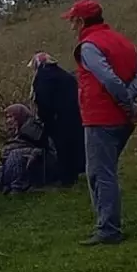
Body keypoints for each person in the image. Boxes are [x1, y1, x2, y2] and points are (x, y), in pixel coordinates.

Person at [65, 0, 137, 245]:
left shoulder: (89, 46)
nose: (71, 26)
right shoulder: (122, 40)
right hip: (122, 120)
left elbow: (109, 79)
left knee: (101, 174)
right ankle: (107, 224)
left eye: (72, 21)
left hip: (101, 118)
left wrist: (126, 102)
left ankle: (108, 229)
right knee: (104, 171)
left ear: (80, 21)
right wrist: (131, 100)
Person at [29, 52, 84, 186]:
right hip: (74, 116)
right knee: (74, 146)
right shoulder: (64, 75)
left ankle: (65, 179)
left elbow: (42, 100)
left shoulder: (43, 77)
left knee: (60, 148)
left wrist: (44, 119)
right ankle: (74, 174)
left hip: (56, 119)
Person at [0, 104, 57, 193]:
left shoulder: (33, 131)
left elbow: (45, 151)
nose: (8, 121)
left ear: (20, 116)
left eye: (11, 117)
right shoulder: (17, 133)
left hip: (39, 167)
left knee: (15, 155)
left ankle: (17, 187)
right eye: (7, 118)